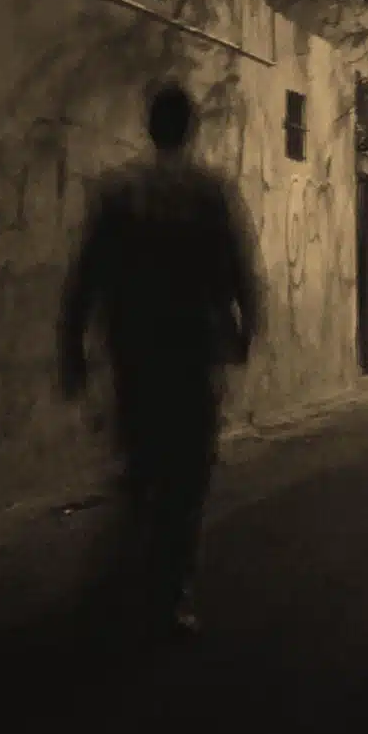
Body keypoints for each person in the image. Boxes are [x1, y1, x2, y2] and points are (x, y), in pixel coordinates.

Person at [57, 83, 263, 639]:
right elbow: (241, 268)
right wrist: (245, 330)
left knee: (143, 464)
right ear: (191, 129)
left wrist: (72, 347)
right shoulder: (211, 192)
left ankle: (126, 581)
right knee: (187, 480)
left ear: (151, 127)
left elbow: (86, 275)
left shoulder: (120, 192)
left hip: (135, 351)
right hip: (193, 352)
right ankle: (171, 595)